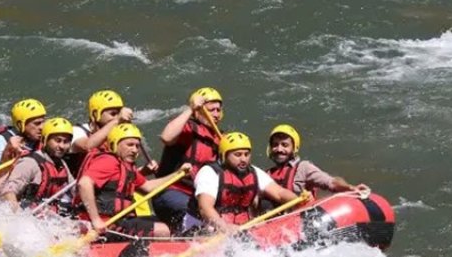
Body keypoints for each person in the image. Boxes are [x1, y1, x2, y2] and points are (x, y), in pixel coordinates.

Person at [189, 131, 300, 235]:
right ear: (224, 155)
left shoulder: (253, 171)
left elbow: (279, 193)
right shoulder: (209, 172)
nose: (243, 159)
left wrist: (300, 201)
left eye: (246, 154)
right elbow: (205, 208)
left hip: (239, 228)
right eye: (238, 155)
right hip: (207, 227)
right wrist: (225, 227)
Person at [77, 123, 174, 240]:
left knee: (165, 223)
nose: (135, 150)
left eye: (137, 146)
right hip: (104, 225)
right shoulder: (108, 161)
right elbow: (84, 184)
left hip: (119, 221)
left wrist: (178, 174)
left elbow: (148, 187)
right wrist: (96, 220)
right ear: (115, 144)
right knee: (162, 230)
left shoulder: (128, 167)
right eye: (130, 145)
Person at [153, 87, 223, 228]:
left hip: (198, 198)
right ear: (198, 112)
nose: (216, 114)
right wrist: (191, 109)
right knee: (202, 219)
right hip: (172, 191)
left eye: (218, 110)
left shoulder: (221, 139)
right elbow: (166, 137)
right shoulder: (188, 128)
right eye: (211, 110)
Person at [262, 124, 365, 210]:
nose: (279, 149)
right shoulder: (265, 175)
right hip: (274, 224)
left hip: (299, 219)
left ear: (294, 148)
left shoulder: (304, 168)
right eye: (275, 145)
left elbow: (331, 182)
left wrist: (350, 187)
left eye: (285, 145)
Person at [0, 117, 76, 215]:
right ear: (44, 140)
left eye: (66, 142)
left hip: (49, 215)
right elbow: (7, 193)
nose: (62, 146)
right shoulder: (30, 162)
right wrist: (19, 218)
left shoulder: (61, 164)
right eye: (58, 141)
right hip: (27, 215)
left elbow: (75, 191)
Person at [69, 90, 156, 176]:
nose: (118, 117)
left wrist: (142, 172)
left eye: (119, 114)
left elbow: (118, 174)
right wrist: (117, 120)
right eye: (113, 114)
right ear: (95, 114)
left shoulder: (116, 135)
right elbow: (87, 146)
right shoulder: (77, 131)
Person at [0, 98, 46, 178]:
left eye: (43, 122)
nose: (42, 127)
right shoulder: (0, 141)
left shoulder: (42, 140)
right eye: (37, 123)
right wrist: (7, 152)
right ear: (20, 125)